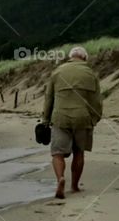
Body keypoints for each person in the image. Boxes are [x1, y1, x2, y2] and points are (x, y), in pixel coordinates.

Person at [42, 46, 103, 199]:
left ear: (70, 57)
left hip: (60, 117)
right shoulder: (90, 74)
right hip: (82, 118)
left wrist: (45, 120)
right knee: (79, 152)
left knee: (57, 153)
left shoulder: (57, 72)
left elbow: (49, 98)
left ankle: (60, 179)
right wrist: (94, 119)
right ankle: (74, 186)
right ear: (85, 58)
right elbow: (96, 102)